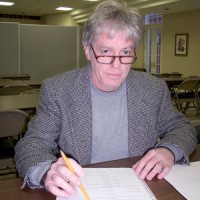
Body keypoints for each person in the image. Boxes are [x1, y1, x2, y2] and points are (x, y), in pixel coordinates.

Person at [15, 0, 197, 198]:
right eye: (106, 52)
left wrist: (169, 151)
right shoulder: (59, 90)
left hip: (141, 188)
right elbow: (31, 144)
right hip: (81, 191)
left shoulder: (152, 88)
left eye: (125, 53)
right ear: (88, 51)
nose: (116, 65)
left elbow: (183, 128)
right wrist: (46, 173)